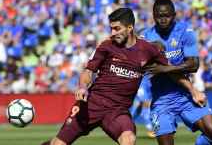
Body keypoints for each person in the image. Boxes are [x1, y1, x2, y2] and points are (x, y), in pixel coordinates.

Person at [41, 7, 201, 145]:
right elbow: (88, 71)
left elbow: (171, 72)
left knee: (128, 139)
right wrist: (83, 86)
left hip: (117, 111)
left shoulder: (148, 49)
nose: (112, 33)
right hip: (91, 106)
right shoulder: (106, 46)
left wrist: (193, 91)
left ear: (130, 27)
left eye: (117, 28)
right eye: (111, 28)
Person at [142, 0, 212, 145]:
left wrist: (164, 69)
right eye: (159, 16)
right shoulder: (146, 37)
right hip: (161, 101)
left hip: (185, 96)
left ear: (174, 15)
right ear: (153, 16)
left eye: (166, 15)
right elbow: (148, 67)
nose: (163, 19)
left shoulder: (185, 31)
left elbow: (194, 64)